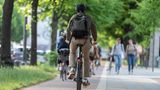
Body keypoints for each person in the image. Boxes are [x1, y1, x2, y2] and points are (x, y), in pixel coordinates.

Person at [66, 4, 97, 86]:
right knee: (86, 58)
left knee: (72, 53)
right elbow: (94, 29)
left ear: (76, 10)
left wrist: (67, 39)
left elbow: (68, 29)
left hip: (74, 40)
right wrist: (95, 40)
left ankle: (72, 68)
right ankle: (85, 78)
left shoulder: (73, 17)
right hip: (85, 40)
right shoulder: (88, 18)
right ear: (84, 10)